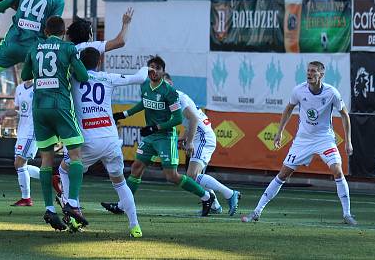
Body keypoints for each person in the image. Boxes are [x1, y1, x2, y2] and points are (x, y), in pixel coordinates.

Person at [242, 61, 356, 225]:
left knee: (337, 171)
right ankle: (257, 211)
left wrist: (348, 141)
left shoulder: (332, 93)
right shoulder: (298, 90)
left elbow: (345, 115)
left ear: (321, 75)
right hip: (303, 140)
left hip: (324, 138)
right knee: (283, 174)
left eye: (313, 71)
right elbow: (288, 109)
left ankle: (347, 214)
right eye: (308, 70)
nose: (309, 73)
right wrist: (280, 132)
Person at [57, 47, 147, 238]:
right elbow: (139, 78)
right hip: (110, 139)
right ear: (99, 63)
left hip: (87, 140)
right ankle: (135, 226)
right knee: (120, 183)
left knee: (65, 170)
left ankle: (73, 210)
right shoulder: (107, 77)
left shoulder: (72, 78)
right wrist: (149, 67)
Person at [108, 56, 215, 216]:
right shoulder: (145, 86)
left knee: (172, 176)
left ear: (163, 71)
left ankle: (206, 197)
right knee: (136, 168)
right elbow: (144, 103)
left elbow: (178, 118)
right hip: (151, 137)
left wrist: (155, 127)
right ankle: (122, 205)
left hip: (165, 137)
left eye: (158, 68)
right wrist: (123, 114)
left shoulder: (169, 91)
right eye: (151, 67)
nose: (154, 71)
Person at [20, 16, 89, 231]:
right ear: (63, 31)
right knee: (76, 155)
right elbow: (84, 76)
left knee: (46, 161)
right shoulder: (68, 48)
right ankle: (73, 204)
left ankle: (50, 208)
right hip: (60, 104)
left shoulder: (34, 47)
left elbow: (24, 75)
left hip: (39, 108)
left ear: (45, 30)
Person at [175, 81, 240, 216]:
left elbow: (193, 120)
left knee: (192, 177)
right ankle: (215, 206)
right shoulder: (179, 98)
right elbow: (189, 123)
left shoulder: (177, 98)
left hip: (203, 138)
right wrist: (183, 139)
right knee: (196, 177)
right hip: (202, 136)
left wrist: (190, 142)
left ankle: (230, 193)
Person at [6, 78, 41, 206]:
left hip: (32, 131)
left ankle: (26, 198)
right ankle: (49, 177)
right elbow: (18, 110)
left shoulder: (39, 87)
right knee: (19, 165)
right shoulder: (19, 88)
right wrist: (5, 113)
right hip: (21, 131)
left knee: (20, 163)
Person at [66, 7, 134, 59]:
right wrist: (126, 23)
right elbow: (120, 42)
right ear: (90, 36)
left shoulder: (66, 49)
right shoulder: (90, 46)